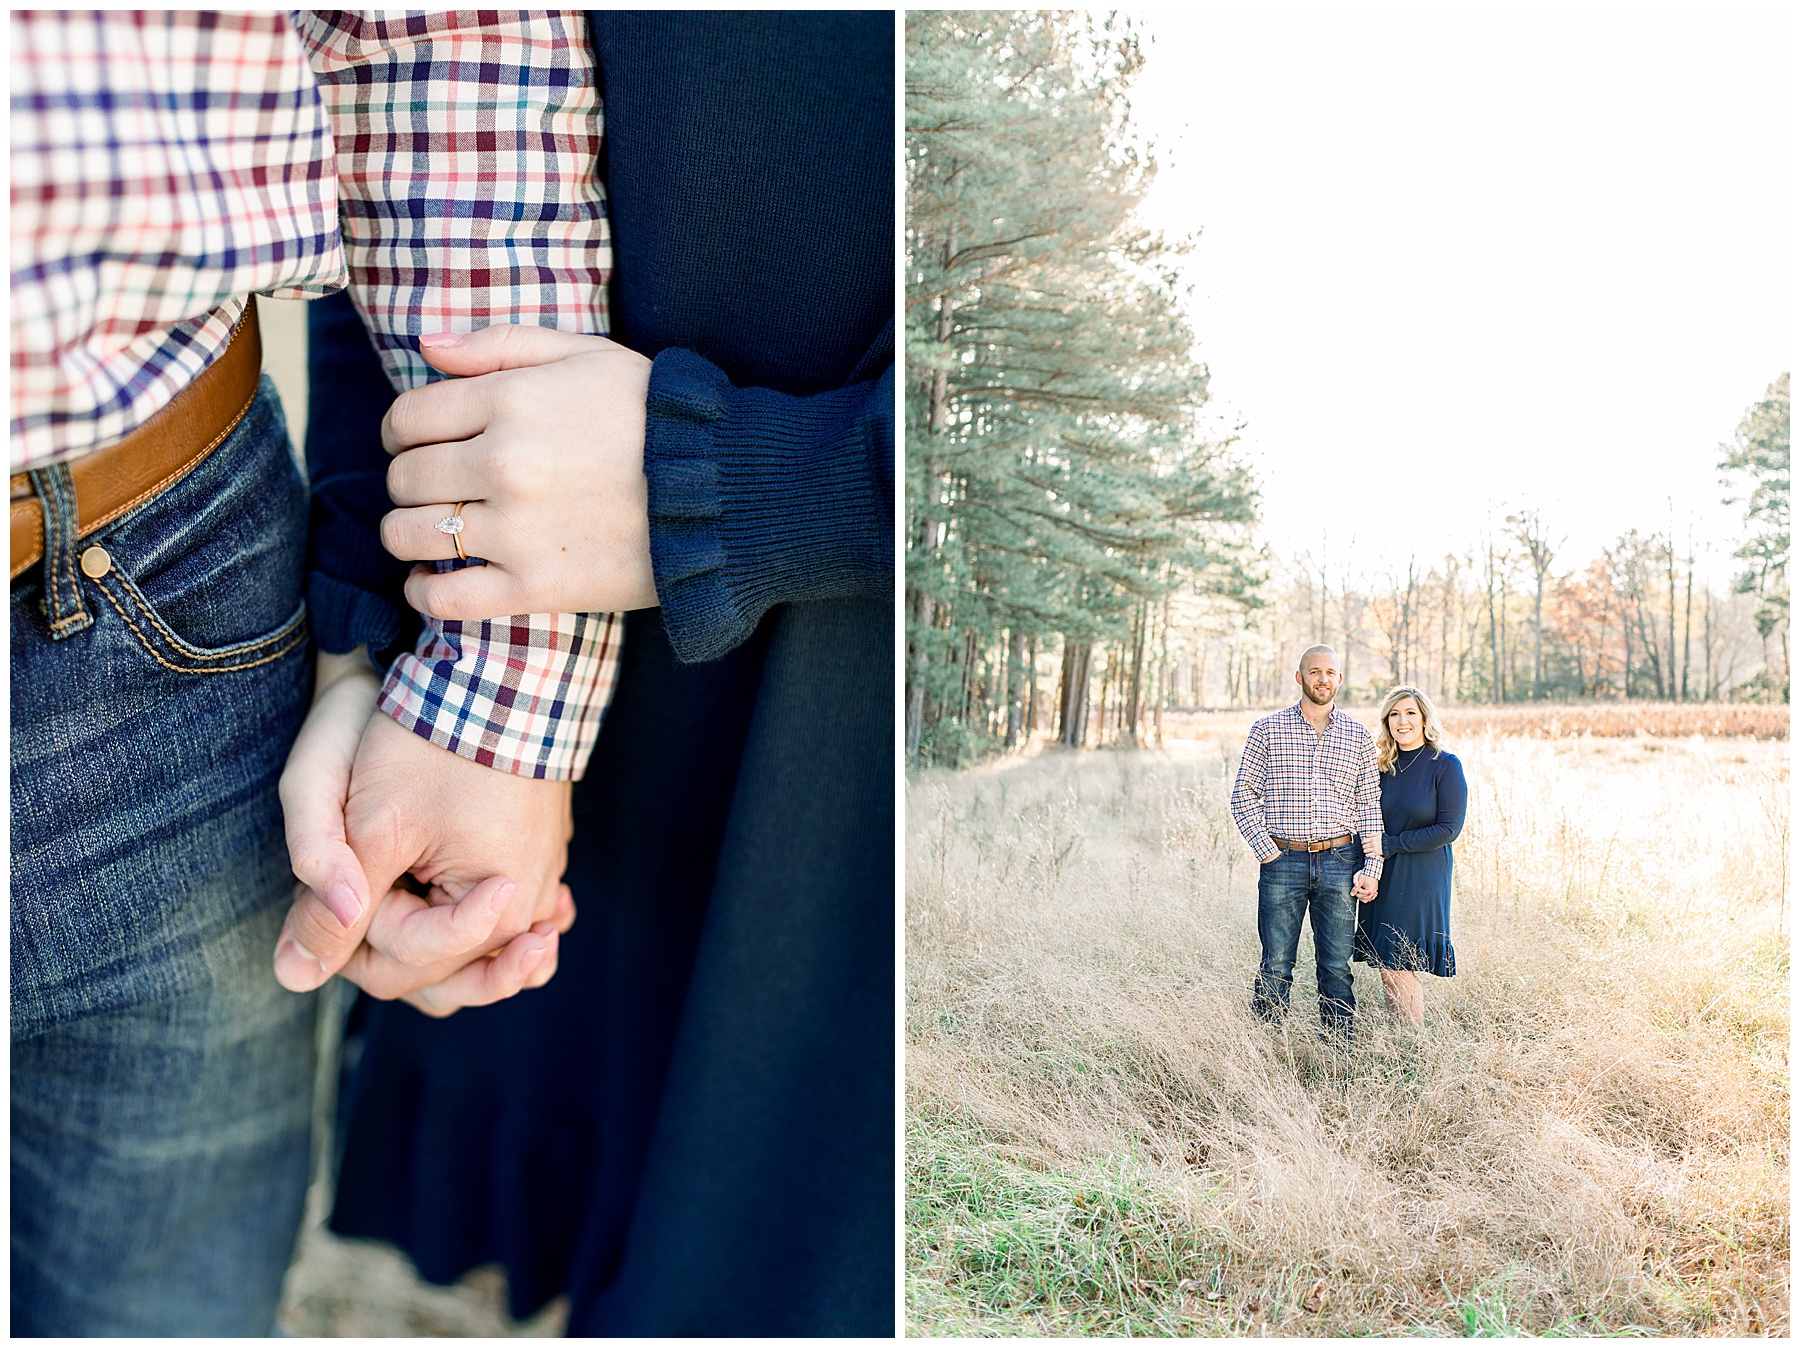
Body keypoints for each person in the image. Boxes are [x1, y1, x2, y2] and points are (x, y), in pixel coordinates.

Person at [11, 12, 614, 1334]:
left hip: (158, 573)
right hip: (162, 568)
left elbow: (442, 35)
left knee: (165, 1301)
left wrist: (498, 690)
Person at [298, 11, 895, 1336]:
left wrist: (734, 488)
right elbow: (408, 134)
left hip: (857, 784)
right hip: (579, 712)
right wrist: (369, 645)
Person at [1229, 645, 1384, 1039]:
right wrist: (1268, 852)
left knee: (1335, 964)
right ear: (1300, 678)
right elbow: (1243, 795)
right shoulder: (1267, 730)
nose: (1322, 679)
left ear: (1340, 679)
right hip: (1284, 860)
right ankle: (1266, 1046)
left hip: (1340, 859)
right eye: (1314, 672)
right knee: (1277, 961)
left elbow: (1369, 805)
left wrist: (1372, 866)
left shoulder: (1357, 736)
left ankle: (1338, 1049)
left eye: (1330, 672)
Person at [1353, 684, 1467, 1026]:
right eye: (1394, 714)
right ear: (1386, 721)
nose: (1402, 721)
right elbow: (1366, 822)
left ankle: (1413, 1040)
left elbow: (1449, 828)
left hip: (1422, 874)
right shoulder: (1380, 768)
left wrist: (1391, 845)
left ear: (1424, 718)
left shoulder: (1444, 766)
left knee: (1398, 960)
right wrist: (1365, 869)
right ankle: (1399, 1034)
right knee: (1387, 959)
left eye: (1410, 713)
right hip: (1384, 873)